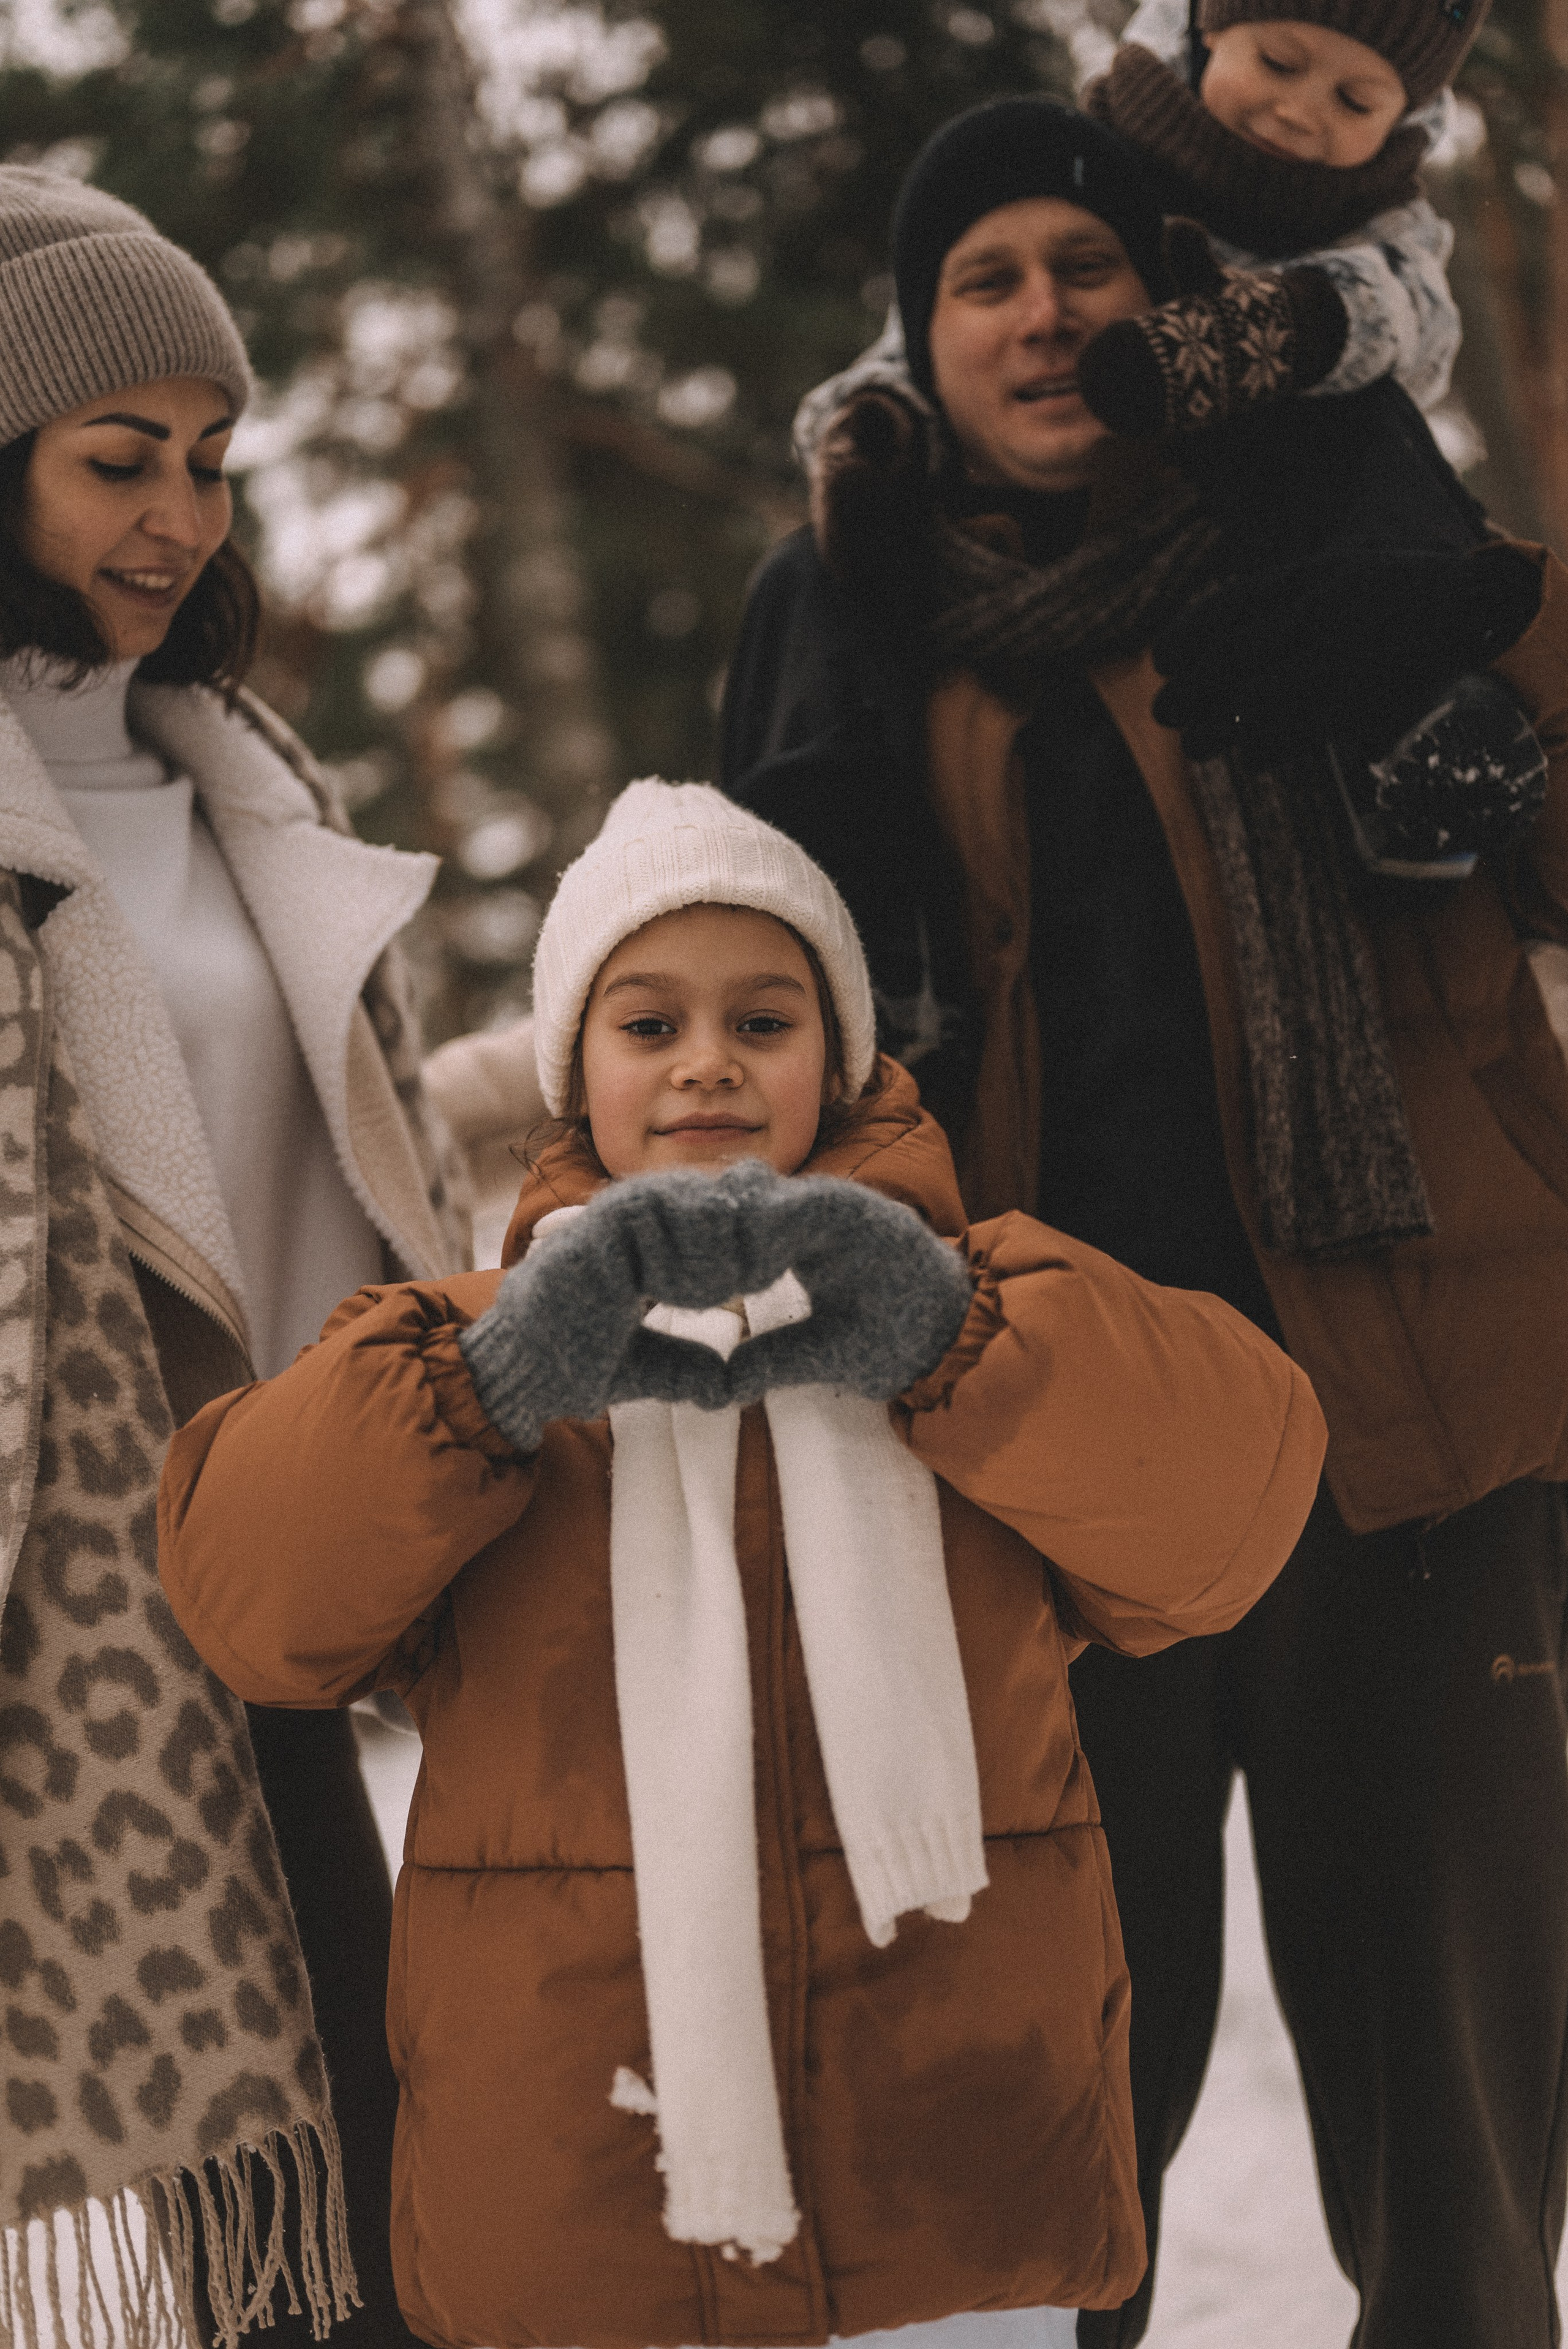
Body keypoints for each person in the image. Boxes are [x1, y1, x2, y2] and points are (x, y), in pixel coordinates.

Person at [719, 96, 1568, 2349]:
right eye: (981, 278)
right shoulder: (855, 608)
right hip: (1044, 1444)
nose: (1039, 314)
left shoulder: (1336, 519)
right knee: (1064, 2054)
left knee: (1453, 2083)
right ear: (917, 334)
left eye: (1083, 270)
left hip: (1408, 1397)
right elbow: (750, 994)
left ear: (1169, 308)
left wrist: (1504, 711)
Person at [155, 778, 1325, 2349]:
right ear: (576, 1067)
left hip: (952, 2192)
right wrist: (493, 1382)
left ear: (835, 1055)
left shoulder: (987, 1308)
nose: (705, 1057)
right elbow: (250, 1600)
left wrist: (946, 1335)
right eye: (648, 1023)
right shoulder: (456, 1357)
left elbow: (1227, 1512)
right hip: (585, 2206)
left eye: (760, 1018)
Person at [0, 167, 467, 2349]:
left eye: (207, 462)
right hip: (79, 1626)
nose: (176, 514)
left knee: (379, 2207)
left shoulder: (237, 772)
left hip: (307, 1562)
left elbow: (348, 1160)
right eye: (118, 459)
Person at [795, 0, 1479, 473]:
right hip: (1068, 468)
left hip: (1255, 502)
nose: (1297, 112)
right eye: (1277, 62)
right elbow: (944, 319)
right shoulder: (1089, 150)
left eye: (1355, 102)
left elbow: (1421, 325)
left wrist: (1298, 324)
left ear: (1401, 117)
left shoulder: (1380, 218)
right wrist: (878, 423)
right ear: (1210, 27)